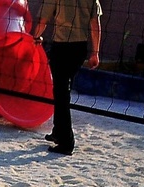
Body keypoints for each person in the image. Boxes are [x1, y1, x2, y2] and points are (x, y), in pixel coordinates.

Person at [33, 0, 102, 155]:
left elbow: (43, 20)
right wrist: (95, 53)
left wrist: (35, 37)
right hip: (79, 49)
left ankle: (66, 142)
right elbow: (95, 24)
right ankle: (58, 131)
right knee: (62, 90)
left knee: (61, 92)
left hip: (62, 47)